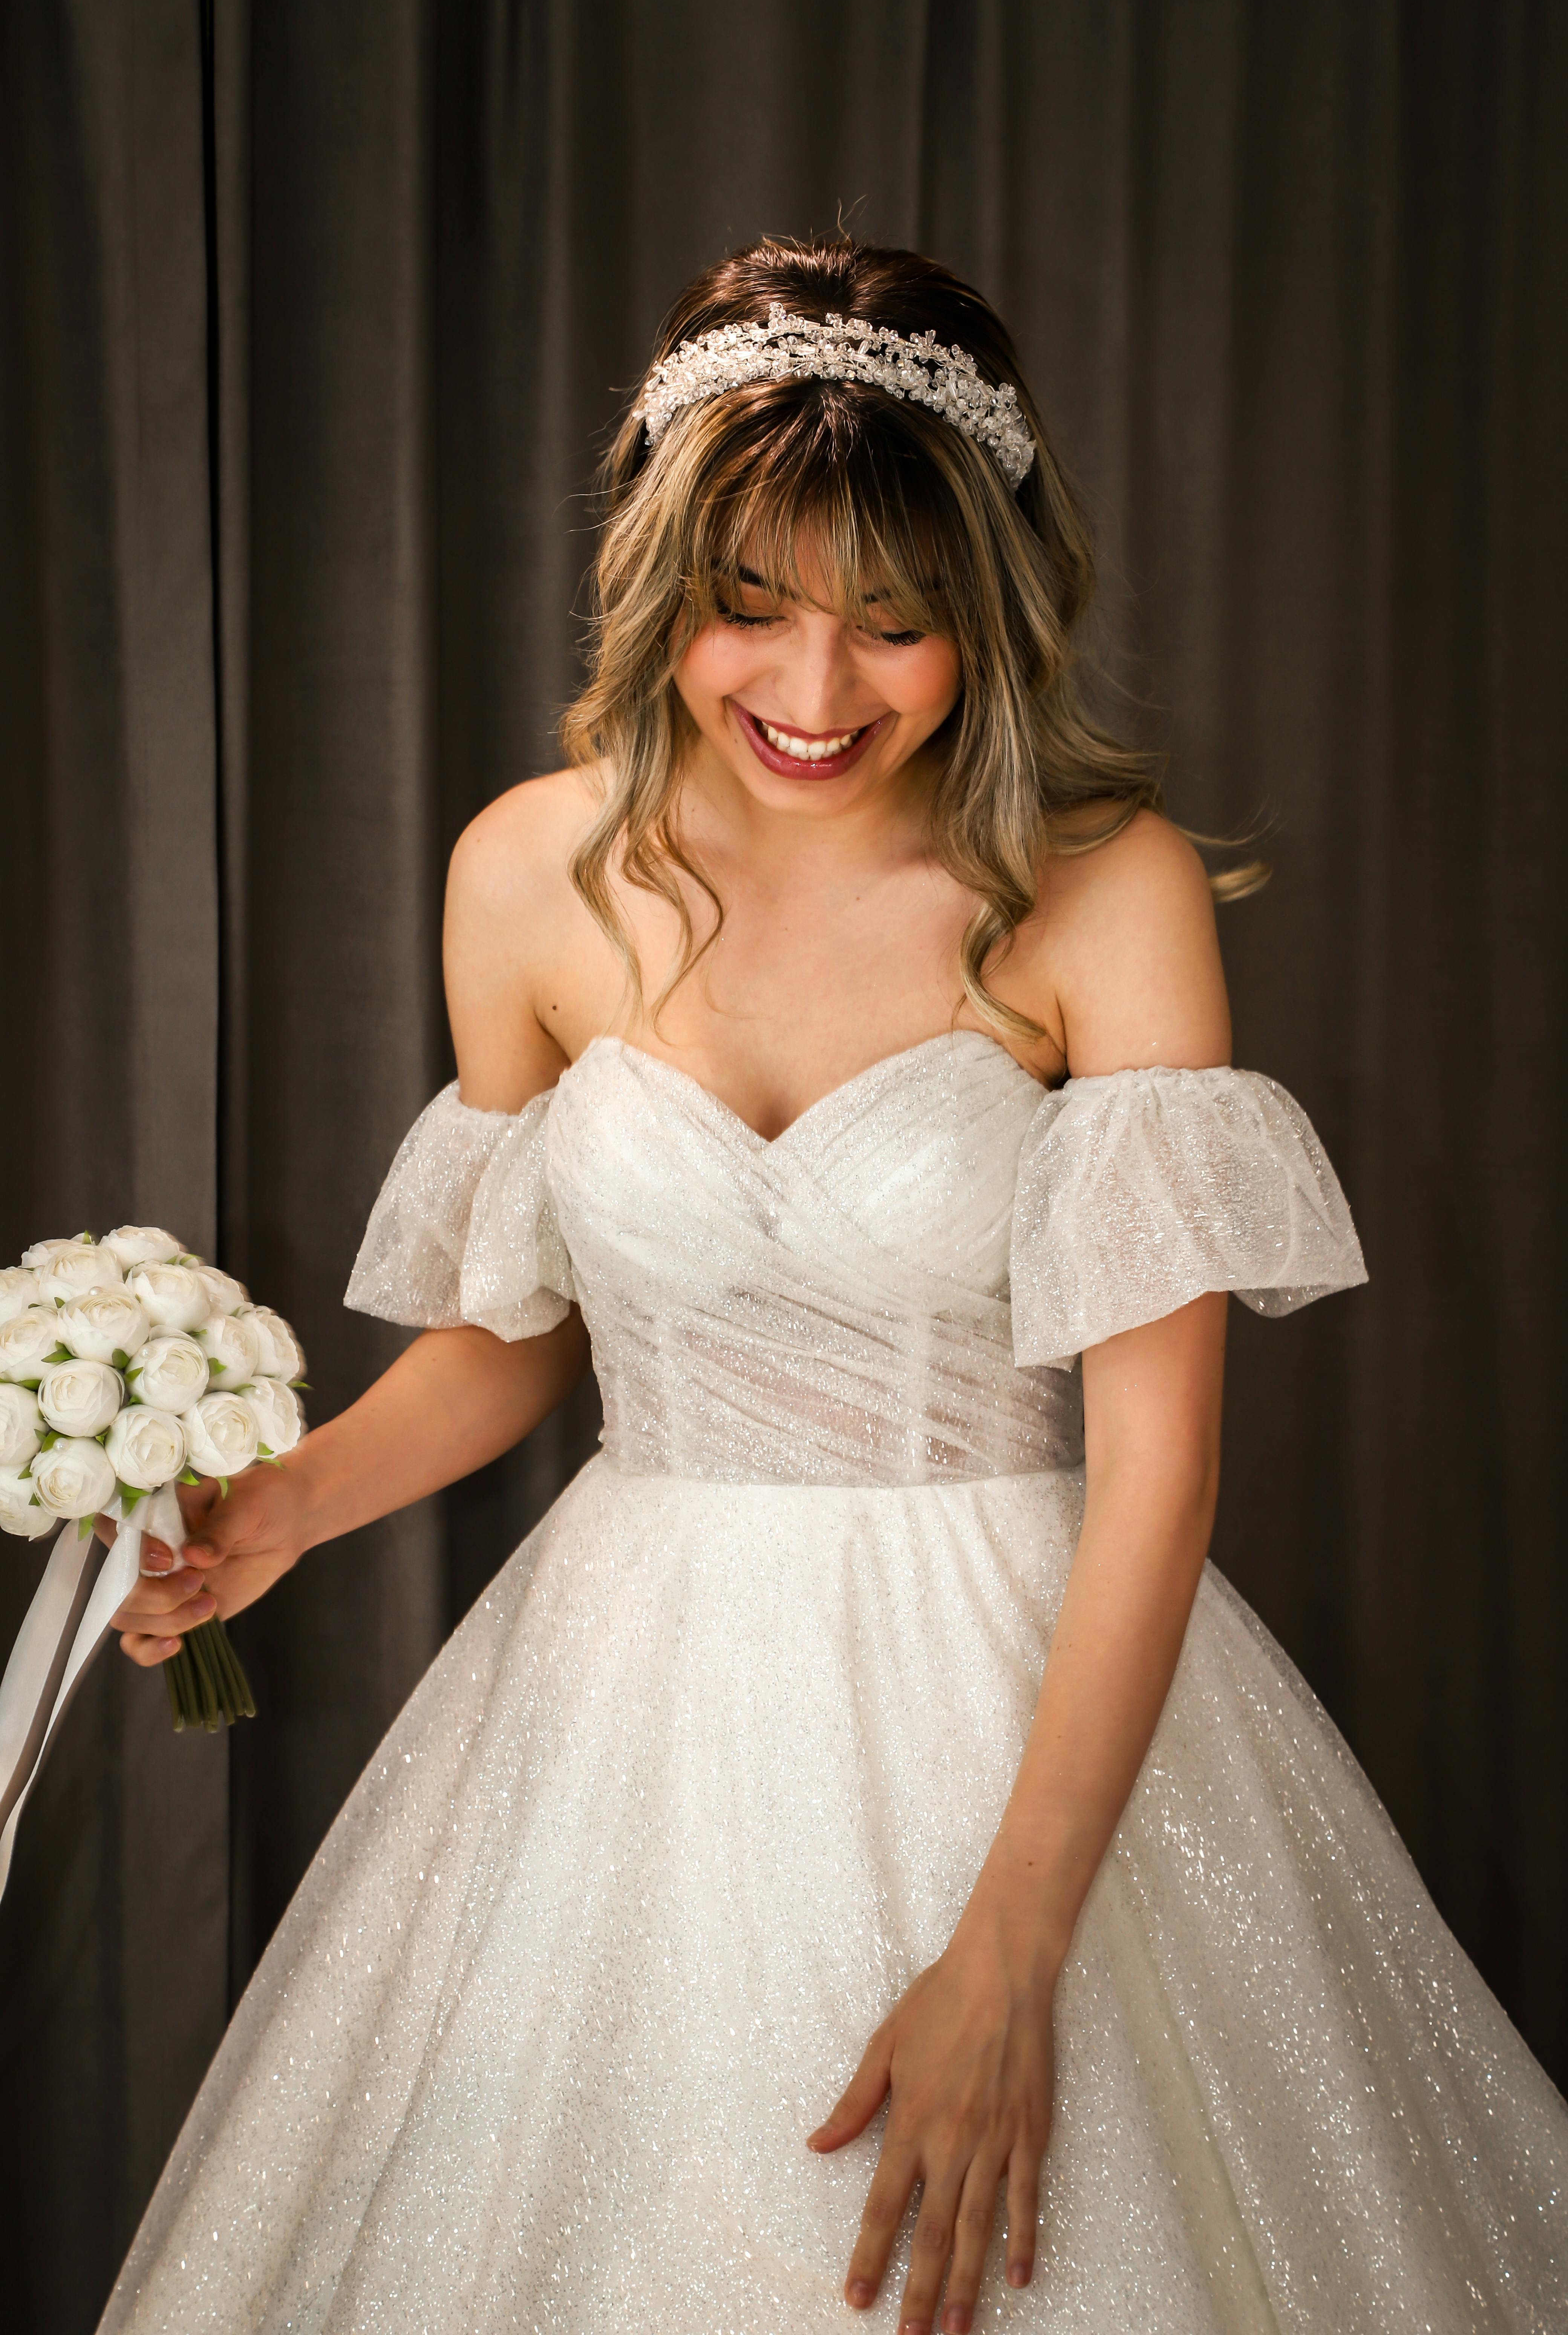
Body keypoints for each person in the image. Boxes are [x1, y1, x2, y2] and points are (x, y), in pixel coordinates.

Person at [99, 239, 1566, 2335]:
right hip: (621, 1703)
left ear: (993, 613)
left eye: (898, 625)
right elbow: (516, 1340)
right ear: (657, 581)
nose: (816, 690)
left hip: (1015, 1672)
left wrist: (1014, 1952)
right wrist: (279, 1515)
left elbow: (1158, 1475)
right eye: (751, 607)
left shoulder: (1098, 886)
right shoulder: (530, 871)